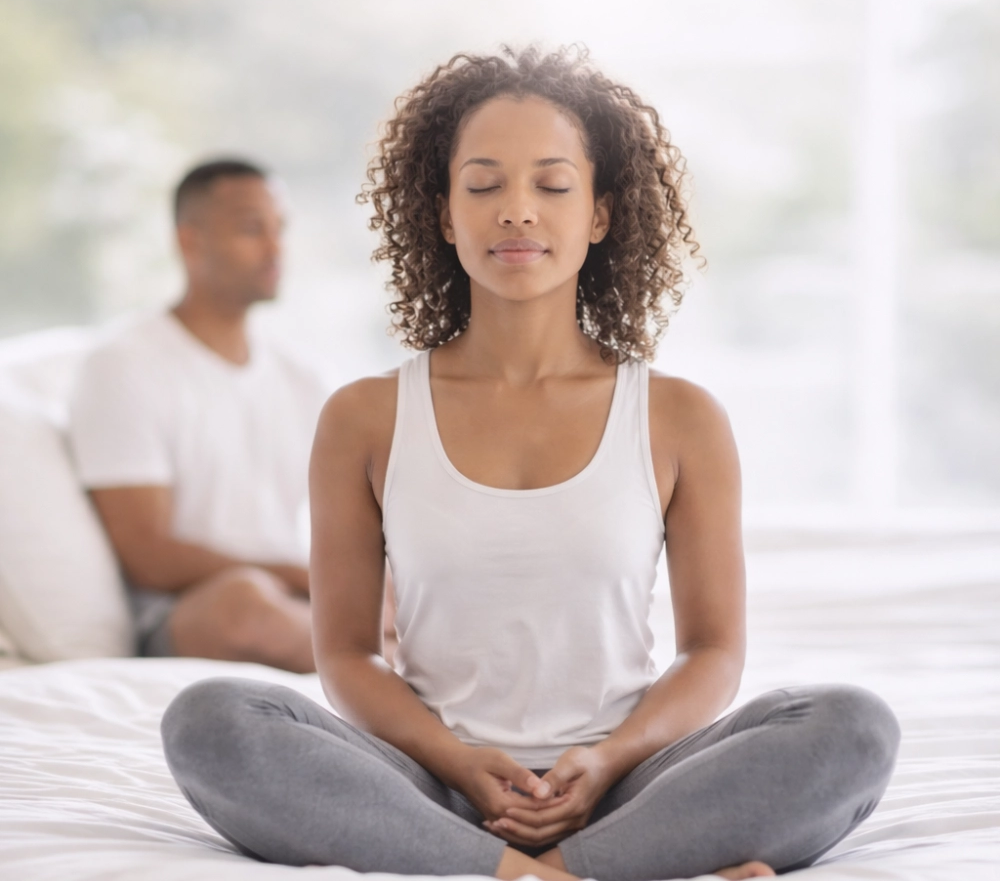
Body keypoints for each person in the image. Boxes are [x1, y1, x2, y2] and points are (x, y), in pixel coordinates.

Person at [159, 50, 900, 880]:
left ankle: (520, 869)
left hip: (632, 783)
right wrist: (454, 759)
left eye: (551, 186)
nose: (516, 211)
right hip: (431, 784)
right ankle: (568, 872)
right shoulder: (362, 418)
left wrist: (610, 758)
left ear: (599, 215)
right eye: (483, 186)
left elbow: (714, 651)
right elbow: (348, 655)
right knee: (211, 719)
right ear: (442, 215)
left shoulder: (680, 417)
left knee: (852, 726)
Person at [70, 158, 397, 671]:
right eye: (251, 229)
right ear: (189, 242)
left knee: (400, 586)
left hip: (295, 599)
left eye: (279, 229)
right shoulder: (122, 365)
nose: (274, 249)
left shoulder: (303, 377)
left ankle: (400, 666)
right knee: (246, 602)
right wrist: (301, 576)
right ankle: (397, 676)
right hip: (184, 611)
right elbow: (147, 555)